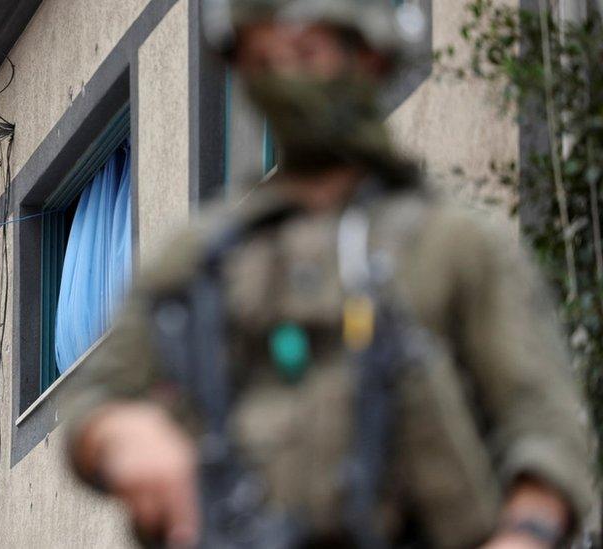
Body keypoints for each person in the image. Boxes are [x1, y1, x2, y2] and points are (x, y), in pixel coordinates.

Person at [65, 0, 593, 547]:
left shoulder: (456, 245)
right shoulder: (197, 257)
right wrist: (120, 434)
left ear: (369, 56)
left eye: (305, 51)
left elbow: (544, 427)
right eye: (263, 60)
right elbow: (93, 399)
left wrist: (525, 532)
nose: (285, 80)